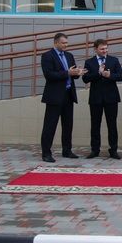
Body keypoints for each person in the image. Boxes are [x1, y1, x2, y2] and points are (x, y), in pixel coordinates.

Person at [40, 32, 87, 163]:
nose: (66, 45)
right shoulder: (47, 56)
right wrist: (67, 73)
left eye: (67, 43)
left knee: (68, 125)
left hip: (68, 94)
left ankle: (67, 150)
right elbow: (49, 75)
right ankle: (46, 153)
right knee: (50, 126)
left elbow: (73, 75)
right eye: (63, 43)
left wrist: (77, 73)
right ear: (55, 42)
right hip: (54, 96)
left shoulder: (69, 55)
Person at [82, 39, 122, 160]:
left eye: (106, 48)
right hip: (96, 98)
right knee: (95, 125)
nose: (105, 51)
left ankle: (113, 150)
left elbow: (121, 76)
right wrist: (98, 73)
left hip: (111, 97)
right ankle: (95, 150)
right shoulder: (89, 62)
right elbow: (85, 79)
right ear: (95, 49)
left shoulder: (113, 60)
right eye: (102, 49)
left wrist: (109, 75)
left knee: (112, 125)